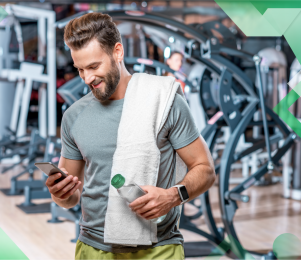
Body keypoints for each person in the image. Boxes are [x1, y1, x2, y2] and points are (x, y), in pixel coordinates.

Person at [46, 13, 216, 260]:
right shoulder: (74, 116)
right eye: (80, 69)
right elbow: (71, 197)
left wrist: (173, 196)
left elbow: (206, 169)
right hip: (93, 248)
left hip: (158, 249)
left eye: (94, 66)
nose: (87, 78)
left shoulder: (164, 101)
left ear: (118, 52)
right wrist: (59, 193)